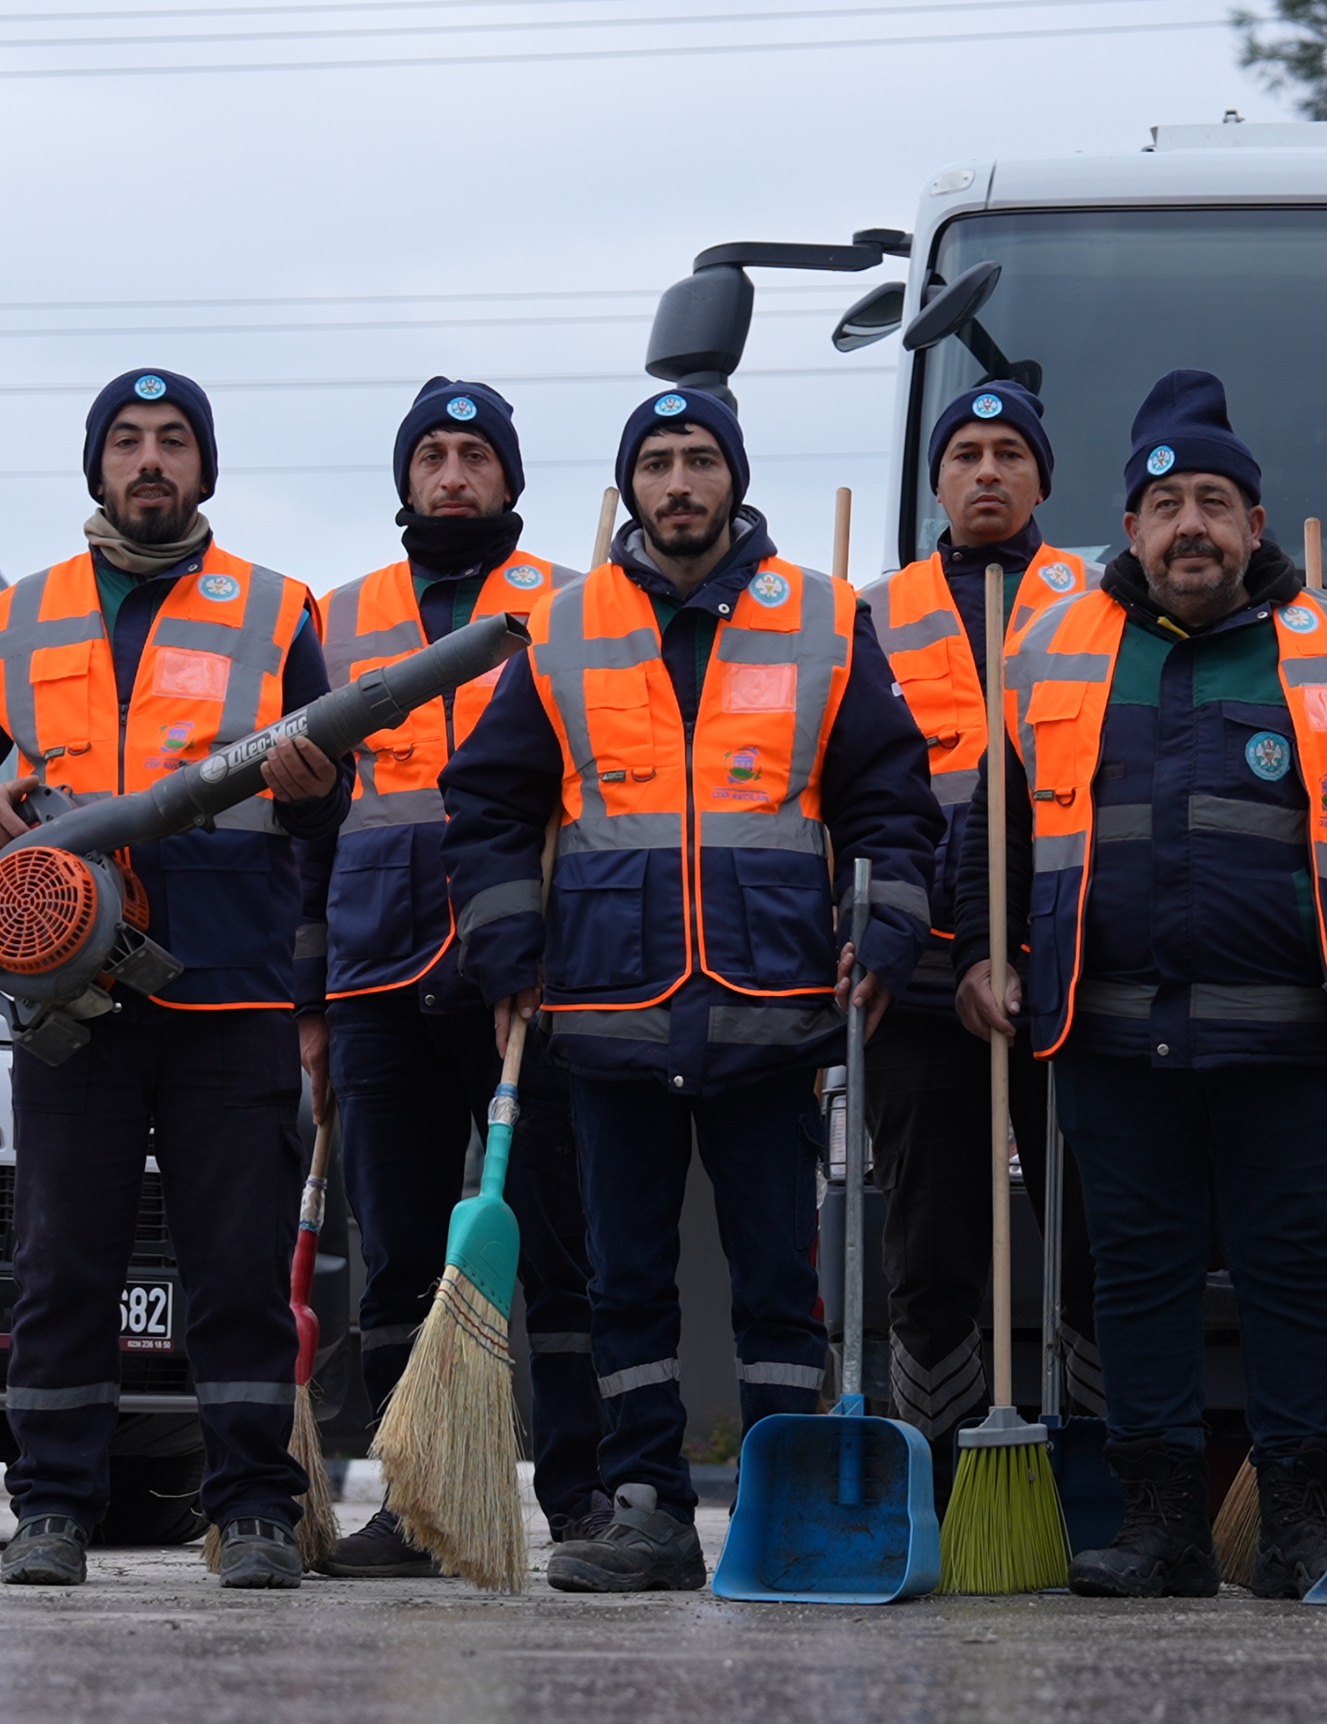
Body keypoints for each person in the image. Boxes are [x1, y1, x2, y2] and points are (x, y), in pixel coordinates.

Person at [954, 369, 1327, 1600]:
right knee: (1138, 1281)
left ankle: (1299, 1526)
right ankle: (1162, 1530)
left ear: (1256, 524)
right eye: (1165, 507)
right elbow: (991, 827)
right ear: (1133, 525)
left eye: (1215, 502)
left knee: (1287, 1279)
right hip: (1106, 1035)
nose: (1190, 526)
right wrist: (980, 952)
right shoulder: (1052, 648)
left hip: (1290, 1035)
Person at [443, 387, 940, 1593]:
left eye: (699, 460)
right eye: (658, 462)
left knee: (781, 1277)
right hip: (608, 1012)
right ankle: (647, 1504)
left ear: (733, 479)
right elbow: (489, 804)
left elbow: (891, 798)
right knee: (628, 1282)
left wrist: (879, 935)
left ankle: (787, 1493)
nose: (679, 483)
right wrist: (508, 951)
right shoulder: (559, 628)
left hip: (772, 1006)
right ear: (635, 484)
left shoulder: (824, 621)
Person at [0, 368, 347, 1590]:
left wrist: (319, 793)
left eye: (173, 443)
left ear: (205, 470)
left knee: (238, 1264)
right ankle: (51, 1507)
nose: (150, 461)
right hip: (69, 992)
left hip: (232, 989)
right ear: (96, 467)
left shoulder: (275, 610)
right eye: (128, 442)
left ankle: (254, 1507)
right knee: (62, 1259)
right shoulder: (24, 611)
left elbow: (326, 804)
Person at [294, 380, 604, 1576]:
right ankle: (414, 1500)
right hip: (377, 967)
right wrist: (312, 1003)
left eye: (475, 454)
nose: (453, 473)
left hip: (525, 968)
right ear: (404, 478)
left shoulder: (576, 610)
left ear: (511, 481)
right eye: (431, 453)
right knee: (400, 1248)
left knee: (560, 1241)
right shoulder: (339, 615)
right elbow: (307, 833)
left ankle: (579, 1492)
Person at [864, 381, 1102, 1485]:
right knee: (932, 1226)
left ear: (1044, 478)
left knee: (1094, 1220)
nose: (987, 471)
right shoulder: (872, 611)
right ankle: (942, 1459)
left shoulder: (1099, 599)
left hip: (1066, 958)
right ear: (937, 482)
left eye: (1010, 452)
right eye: (963, 454)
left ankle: (1101, 1449)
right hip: (918, 964)